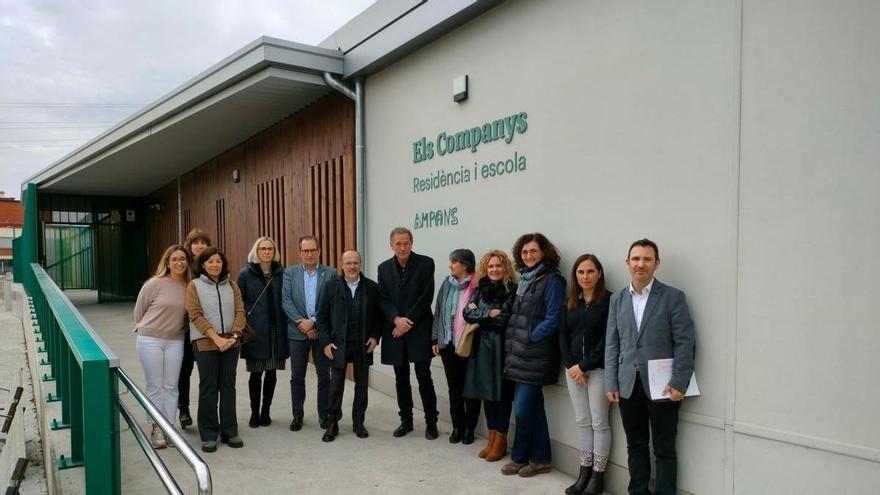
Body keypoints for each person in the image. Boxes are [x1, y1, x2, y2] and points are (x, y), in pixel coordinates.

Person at [605, 239, 696, 495]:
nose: (640, 264)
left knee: (664, 449)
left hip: (664, 387)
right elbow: (612, 343)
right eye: (635, 259)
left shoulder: (673, 297)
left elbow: (685, 342)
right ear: (627, 263)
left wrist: (680, 381)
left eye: (646, 259)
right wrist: (611, 381)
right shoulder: (618, 299)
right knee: (635, 445)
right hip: (627, 386)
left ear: (657, 263)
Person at [501, 233, 565, 478]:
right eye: (525, 252)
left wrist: (530, 336)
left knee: (523, 410)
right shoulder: (526, 280)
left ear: (544, 253)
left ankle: (519, 457)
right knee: (534, 408)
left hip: (535, 355)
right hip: (520, 356)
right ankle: (541, 459)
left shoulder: (552, 281)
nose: (528, 256)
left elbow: (554, 317)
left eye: (533, 251)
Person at [377, 227, 439, 439]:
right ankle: (406, 420)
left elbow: (425, 297)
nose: (402, 247)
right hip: (395, 329)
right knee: (400, 379)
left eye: (406, 243)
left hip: (419, 328)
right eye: (398, 243)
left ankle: (432, 422)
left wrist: (406, 322)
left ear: (412, 243)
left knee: (424, 377)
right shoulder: (383, 268)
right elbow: (382, 298)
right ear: (391, 245)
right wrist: (396, 319)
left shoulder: (426, 263)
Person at [316, 250, 382, 442]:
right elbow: (321, 318)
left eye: (355, 263)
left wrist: (375, 337)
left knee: (361, 386)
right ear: (342, 265)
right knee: (335, 386)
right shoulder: (330, 287)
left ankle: (358, 422)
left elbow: (378, 318)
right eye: (348, 263)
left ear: (360, 264)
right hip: (338, 345)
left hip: (363, 345)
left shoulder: (371, 287)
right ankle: (332, 423)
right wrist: (326, 342)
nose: (352, 266)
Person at [186, 247, 246, 453]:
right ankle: (209, 433)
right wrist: (216, 338)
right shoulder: (194, 286)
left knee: (228, 387)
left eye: (218, 261)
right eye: (210, 261)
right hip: (206, 344)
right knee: (209, 387)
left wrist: (235, 336)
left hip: (231, 343)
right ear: (202, 264)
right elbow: (195, 314)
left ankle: (230, 430)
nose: (214, 265)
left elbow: (240, 311)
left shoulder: (232, 285)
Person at [561, 254, 612, 495]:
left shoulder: (609, 301)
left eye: (590, 271)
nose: (585, 276)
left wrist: (585, 365)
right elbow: (562, 336)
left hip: (598, 370)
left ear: (599, 273)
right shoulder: (571, 302)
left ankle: (597, 477)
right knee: (583, 422)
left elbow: (608, 340)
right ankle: (584, 472)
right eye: (580, 272)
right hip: (573, 371)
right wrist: (573, 366)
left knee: (600, 423)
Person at [133, 244, 191, 449]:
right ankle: (157, 427)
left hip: (176, 340)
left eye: (183, 259)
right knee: (155, 385)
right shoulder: (155, 283)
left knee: (171, 386)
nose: (179, 262)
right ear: (167, 262)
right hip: (150, 339)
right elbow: (139, 311)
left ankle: (170, 428)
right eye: (174, 259)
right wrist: (147, 329)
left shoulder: (189, 286)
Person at [462, 249, 517, 462]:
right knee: (486, 394)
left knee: (501, 396)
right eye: (491, 266)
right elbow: (467, 313)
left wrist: (481, 314)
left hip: (500, 348)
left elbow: (503, 319)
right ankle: (491, 437)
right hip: (480, 349)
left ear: (506, 268)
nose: (494, 270)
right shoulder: (479, 289)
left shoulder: (511, 290)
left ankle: (500, 440)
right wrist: (488, 313)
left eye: (498, 266)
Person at [281, 235, 334, 431]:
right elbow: (286, 301)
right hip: (297, 332)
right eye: (306, 251)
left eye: (313, 250)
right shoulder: (290, 273)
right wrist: (302, 324)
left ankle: (324, 415)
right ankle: (297, 415)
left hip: (321, 333)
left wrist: (313, 323)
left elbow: (331, 303)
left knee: (324, 376)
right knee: (297, 376)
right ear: (299, 253)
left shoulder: (331, 273)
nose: (310, 254)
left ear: (319, 251)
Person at [237, 236, 288, 428]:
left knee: (272, 373)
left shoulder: (282, 273)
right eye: (262, 249)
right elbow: (239, 302)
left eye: (270, 249)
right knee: (256, 374)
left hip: (276, 330)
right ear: (256, 252)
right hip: (256, 332)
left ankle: (266, 411)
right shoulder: (245, 274)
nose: (267, 252)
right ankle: (254, 413)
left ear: (274, 252)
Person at [431, 249, 480, 445]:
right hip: (448, 344)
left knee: (471, 390)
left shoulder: (477, 285)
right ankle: (457, 427)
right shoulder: (447, 283)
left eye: (454, 262)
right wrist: (435, 339)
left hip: (469, 344)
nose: (450, 265)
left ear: (465, 265)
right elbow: (438, 312)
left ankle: (470, 428)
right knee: (454, 388)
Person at [178, 228, 212, 429]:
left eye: (203, 242)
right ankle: (184, 409)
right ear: (189, 245)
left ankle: (207, 414)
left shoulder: (212, 264)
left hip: (206, 328)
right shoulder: (184, 267)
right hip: (185, 328)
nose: (199, 246)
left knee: (208, 374)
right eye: (195, 242)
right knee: (184, 371)